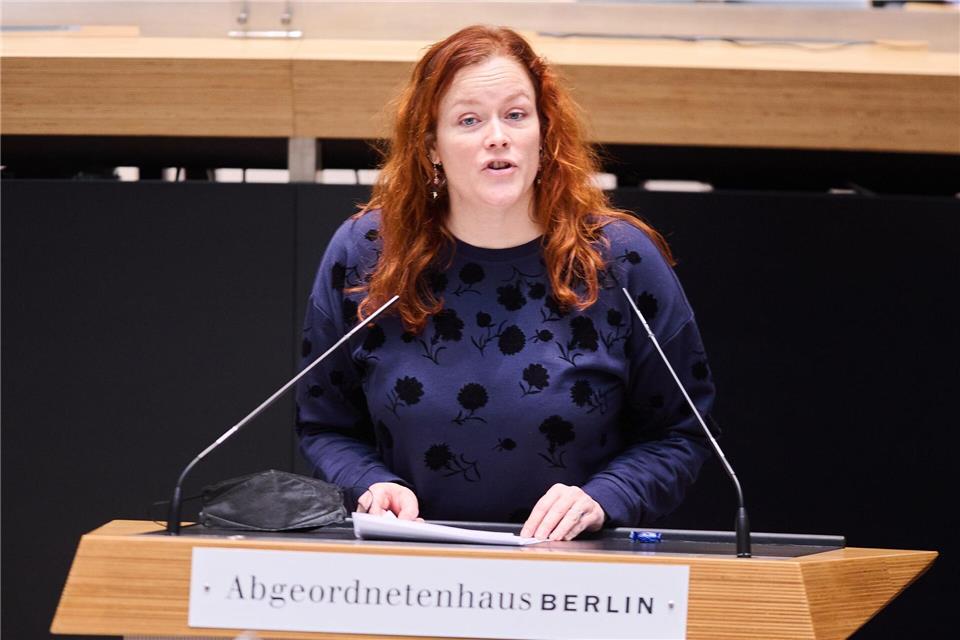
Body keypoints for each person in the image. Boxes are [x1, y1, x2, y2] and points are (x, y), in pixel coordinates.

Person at [296, 25, 715, 541]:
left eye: (516, 115)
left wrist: (604, 498)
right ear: (431, 147)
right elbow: (323, 426)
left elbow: (681, 433)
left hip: (576, 583)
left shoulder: (618, 260)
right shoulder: (368, 255)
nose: (498, 135)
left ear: (544, 131)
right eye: (469, 120)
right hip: (406, 575)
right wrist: (369, 483)